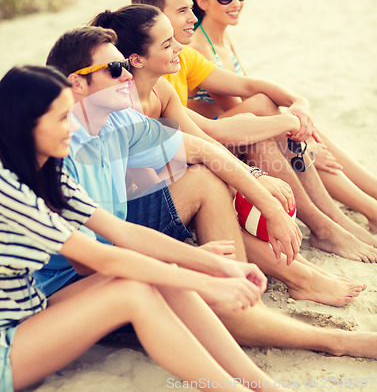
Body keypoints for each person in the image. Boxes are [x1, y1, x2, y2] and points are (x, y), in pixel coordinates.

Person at [39, 26, 377, 361]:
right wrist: (191, 263)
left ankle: (247, 303)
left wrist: (270, 208)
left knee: (203, 178)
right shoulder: (55, 148)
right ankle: (331, 339)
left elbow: (203, 150)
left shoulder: (118, 121)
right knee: (176, 277)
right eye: (114, 70)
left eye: (125, 65)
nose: (127, 75)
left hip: (112, 237)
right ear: (76, 83)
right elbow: (88, 262)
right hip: (66, 283)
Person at [0, 64, 283, 392]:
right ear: (25, 124)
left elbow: (125, 234)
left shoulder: (49, 171)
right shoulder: (9, 192)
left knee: (155, 271)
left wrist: (215, 265)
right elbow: (103, 259)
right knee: (135, 291)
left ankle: (261, 385)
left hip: (31, 312)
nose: (72, 128)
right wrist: (205, 282)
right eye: (62, 118)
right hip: (9, 345)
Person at [89, 3, 365, 307]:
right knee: (212, 182)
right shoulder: (121, 106)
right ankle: (300, 274)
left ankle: (305, 264)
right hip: (126, 218)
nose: (179, 46)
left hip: (161, 193)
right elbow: (183, 161)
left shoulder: (160, 92)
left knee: (222, 175)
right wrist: (254, 185)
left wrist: (255, 179)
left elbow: (205, 141)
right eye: (167, 44)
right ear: (136, 59)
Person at [130, 0, 377, 262]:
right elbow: (214, 131)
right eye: (183, 10)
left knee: (272, 119)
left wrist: (300, 103)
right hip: (180, 168)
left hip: (200, 147)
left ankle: (337, 221)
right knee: (266, 125)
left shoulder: (181, 56)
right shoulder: (150, 72)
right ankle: (330, 224)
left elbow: (247, 87)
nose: (192, 18)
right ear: (153, 17)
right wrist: (289, 126)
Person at [189, 0, 377, 235]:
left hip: (241, 127)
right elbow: (247, 109)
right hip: (217, 140)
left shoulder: (222, 36)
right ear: (202, 1)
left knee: (306, 133)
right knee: (298, 136)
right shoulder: (198, 45)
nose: (236, 3)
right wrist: (298, 143)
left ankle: (372, 200)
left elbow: (250, 99)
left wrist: (299, 125)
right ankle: (369, 209)